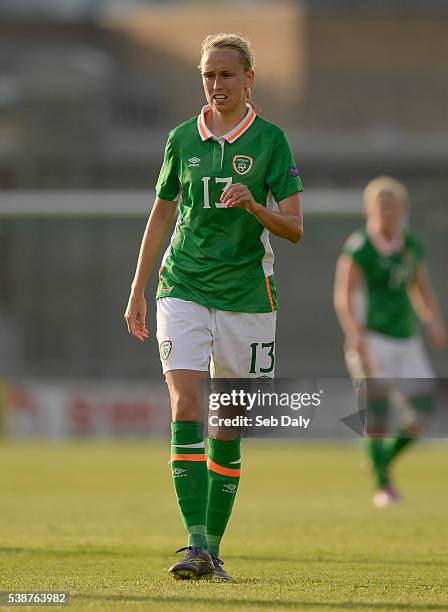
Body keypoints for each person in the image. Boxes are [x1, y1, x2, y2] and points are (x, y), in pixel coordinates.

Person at [124, 32, 303, 580]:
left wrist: (254, 205)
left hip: (248, 294)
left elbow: (294, 228)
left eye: (227, 75)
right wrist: (138, 287)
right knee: (184, 405)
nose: (217, 84)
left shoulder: (272, 141)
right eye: (209, 75)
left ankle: (213, 550)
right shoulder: (182, 138)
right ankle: (194, 544)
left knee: (227, 425)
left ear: (249, 79)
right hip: (183, 285)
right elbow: (160, 214)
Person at [334, 176, 446, 507]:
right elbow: (345, 297)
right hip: (373, 339)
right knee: (378, 417)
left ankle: (382, 461)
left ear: (401, 207)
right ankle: (383, 485)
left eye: (392, 202)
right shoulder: (360, 247)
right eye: (380, 202)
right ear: (370, 208)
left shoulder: (410, 245)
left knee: (423, 409)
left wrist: (433, 321)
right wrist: (355, 335)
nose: (387, 208)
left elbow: (420, 287)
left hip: (406, 339)